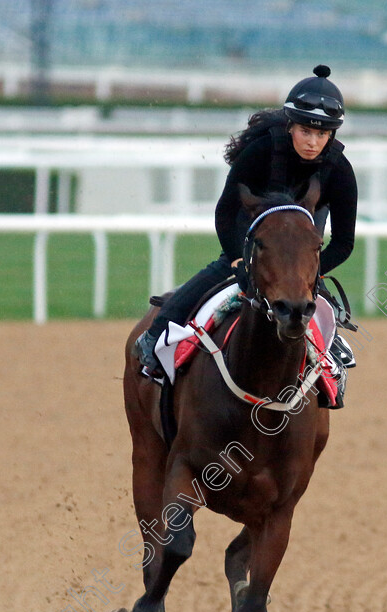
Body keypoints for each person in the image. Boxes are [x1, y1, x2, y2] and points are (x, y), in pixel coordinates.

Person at [134, 65, 358, 382]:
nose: (312, 142)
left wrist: (306, 270)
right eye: (305, 131)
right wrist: (240, 258)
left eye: (321, 134)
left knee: (312, 299)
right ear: (291, 125)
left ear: (331, 134)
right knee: (221, 269)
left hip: (303, 240)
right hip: (254, 233)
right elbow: (225, 212)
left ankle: (332, 359)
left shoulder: (341, 171)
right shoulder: (261, 151)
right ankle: (155, 336)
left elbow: (344, 243)